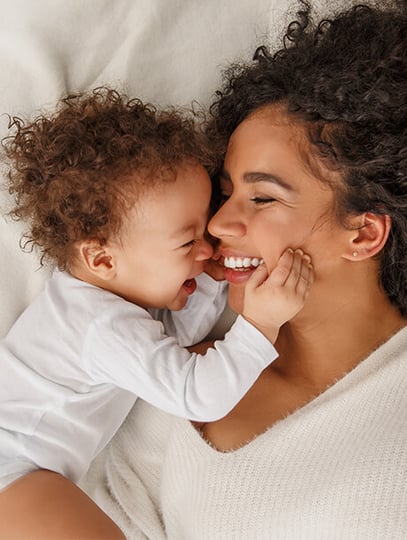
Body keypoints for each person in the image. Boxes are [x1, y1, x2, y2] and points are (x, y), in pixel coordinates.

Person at [81, 2, 407, 538]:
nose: (220, 222)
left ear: (365, 233)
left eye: (263, 198)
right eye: (226, 193)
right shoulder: (179, 378)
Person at [0, 87, 313, 538]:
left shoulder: (102, 303)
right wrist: (260, 324)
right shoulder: (101, 326)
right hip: (14, 474)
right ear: (103, 259)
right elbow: (193, 390)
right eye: (188, 243)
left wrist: (210, 275)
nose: (207, 249)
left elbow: (172, 342)